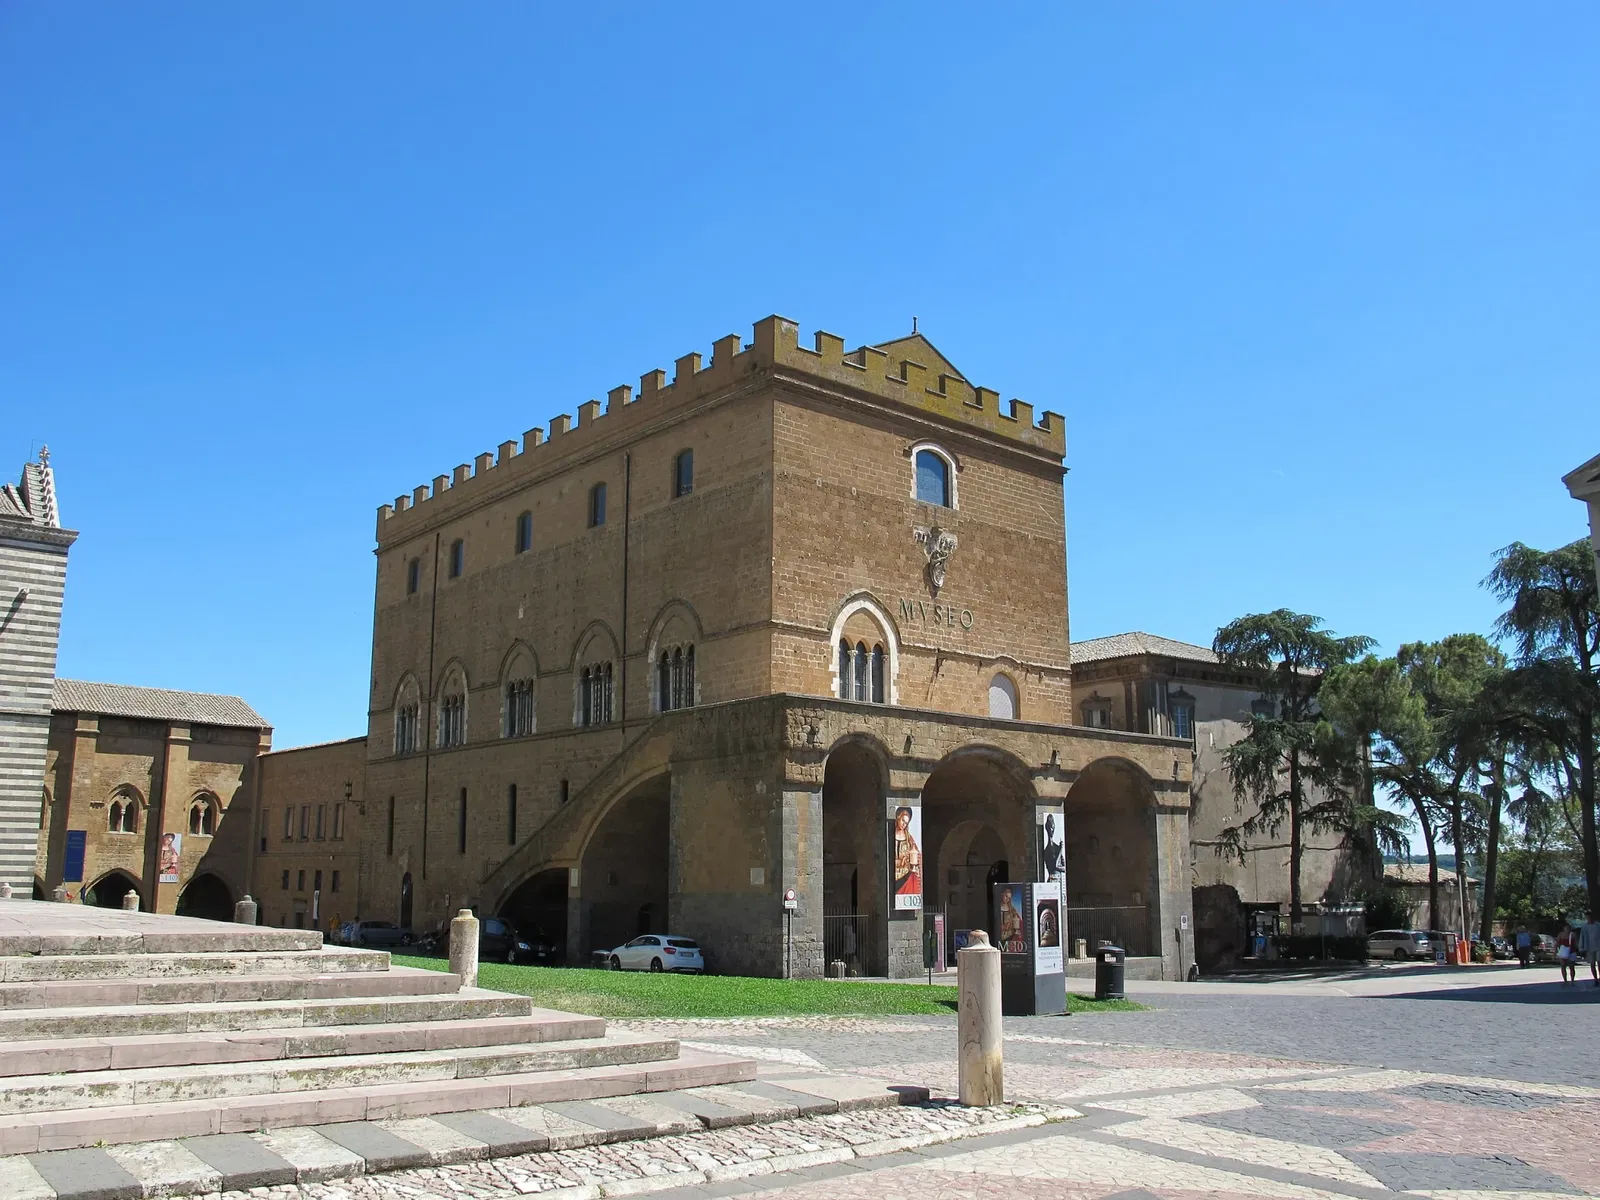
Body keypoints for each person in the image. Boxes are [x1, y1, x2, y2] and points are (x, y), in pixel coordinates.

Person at [892, 807, 922, 904]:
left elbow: (916, 854)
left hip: (905, 874)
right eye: (902, 821)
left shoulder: (908, 837)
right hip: (893, 874)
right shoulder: (890, 835)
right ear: (898, 817)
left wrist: (909, 858)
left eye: (906, 823)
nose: (903, 824)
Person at [1581, 911, 1600, 988]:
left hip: (1598, 946)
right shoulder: (1585, 927)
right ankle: (1595, 979)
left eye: (1589, 917)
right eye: (1587, 918)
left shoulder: (1598, 925)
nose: (1588, 919)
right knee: (1592, 964)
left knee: (1599, 963)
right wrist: (1581, 948)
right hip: (1589, 947)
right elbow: (1582, 937)